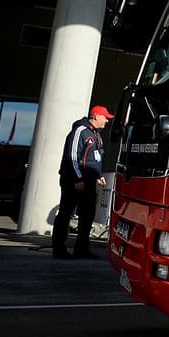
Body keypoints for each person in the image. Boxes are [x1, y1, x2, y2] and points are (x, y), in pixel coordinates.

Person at [51, 105, 111, 259]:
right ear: (96, 116)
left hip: (89, 182)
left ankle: (82, 248)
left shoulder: (96, 134)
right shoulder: (80, 131)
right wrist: (78, 178)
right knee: (66, 212)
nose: (107, 121)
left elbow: (94, 157)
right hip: (74, 181)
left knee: (88, 214)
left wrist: (97, 175)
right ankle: (58, 249)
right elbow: (72, 156)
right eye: (105, 118)